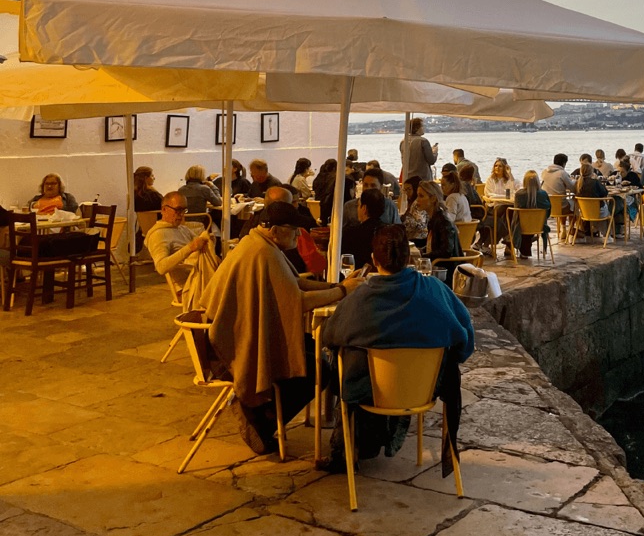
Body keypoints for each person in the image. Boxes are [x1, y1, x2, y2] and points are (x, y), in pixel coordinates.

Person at [201, 202, 362, 455]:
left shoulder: (259, 244)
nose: (299, 235)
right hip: (227, 351)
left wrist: (336, 286)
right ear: (275, 229)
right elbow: (297, 302)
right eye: (294, 230)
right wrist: (342, 291)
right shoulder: (263, 253)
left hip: (229, 338)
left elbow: (294, 285)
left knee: (310, 352)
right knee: (313, 370)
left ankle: (260, 414)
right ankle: (258, 419)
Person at [320, 224, 474, 472]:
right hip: (426, 389)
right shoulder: (436, 291)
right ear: (409, 257)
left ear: (373, 259)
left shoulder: (358, 300)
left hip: (371, 392)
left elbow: (330, 337)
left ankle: (349, 449)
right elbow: (465, 340)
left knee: (348, 359)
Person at [145, 191, 221, 309]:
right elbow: (161, 267)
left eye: (184, 210)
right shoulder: (158, 235)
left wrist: (209, 241)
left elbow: (198, 245)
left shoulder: (181, 228)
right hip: (187, 286)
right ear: (164, 209)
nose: (181, 215)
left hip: (198, 278)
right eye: (178, 210)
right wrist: (190, 248)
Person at [416, 181, 463, 273]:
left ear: (433, 199)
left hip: (446, 271)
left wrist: (424, 256)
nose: (417, 200)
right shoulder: (434, 218)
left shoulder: (443, 221)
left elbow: (446, 251)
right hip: (437, 266)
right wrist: (420, 252)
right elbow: (433, 245)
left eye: (421, 196)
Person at [341, 188, 386, 269]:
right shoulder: (388, 232)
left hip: (357, 278)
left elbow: (344, 263)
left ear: (364, 208)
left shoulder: (351, 234)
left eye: (358, 205)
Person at [512, 171, 551, 258]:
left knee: (510, 215)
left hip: (521, 227)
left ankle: (510, 241)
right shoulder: (543, 194)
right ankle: (528, 241)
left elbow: (516, 212)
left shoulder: (520, 194)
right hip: (539, 225)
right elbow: (548, 211)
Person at [399, 175, 429, 249]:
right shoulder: (412, 203)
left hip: (418, 239)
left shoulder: (417, 203)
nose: (406, 192)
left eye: (409, 189)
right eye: (405, 190)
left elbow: (420, 224)